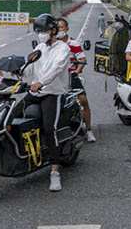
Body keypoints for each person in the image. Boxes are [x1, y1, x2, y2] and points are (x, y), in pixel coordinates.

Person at [25, 13, 71, 192]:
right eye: (38, 31)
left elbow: (56, 68)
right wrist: (18, 72)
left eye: (43, 31)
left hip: (52, 93)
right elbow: (30, 68)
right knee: (11, 115)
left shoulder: (63, 48)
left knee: (49, 129)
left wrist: (41, 82)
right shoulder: (40, 48)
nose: (40, 34)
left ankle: (54, 172)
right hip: (35, 92)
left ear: (53, 31)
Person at [56, 18, 95, 143]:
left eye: (61, 27)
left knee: (83, 100)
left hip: (70, 76)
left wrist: (76, 72)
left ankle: (88, 130)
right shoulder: (52, 43)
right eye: (57, 27)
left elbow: (82, 60)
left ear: (67, 29)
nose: (59, 30)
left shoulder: (74, 44)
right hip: (55, 77)